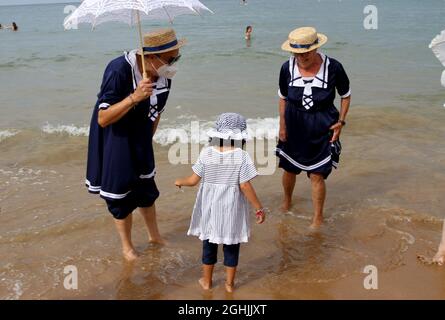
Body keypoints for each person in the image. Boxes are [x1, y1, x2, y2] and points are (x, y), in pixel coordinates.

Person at [86, 28, 185, 261]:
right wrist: (134, 97)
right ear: (151, 56)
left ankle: (155, 236)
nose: (173, 64)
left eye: (176, 58)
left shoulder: (164, 76)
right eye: (171, 59)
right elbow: (103, 119)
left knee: (146, 191)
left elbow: (158, 111)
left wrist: (146, 141)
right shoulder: (118, 70)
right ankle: (127, 247)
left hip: (141, 137)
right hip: (116, 138)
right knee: (120, 197)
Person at [175, 113, 266, 293]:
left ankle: (207, 282)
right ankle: (229, 285)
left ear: (218, 133)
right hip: (231, 210)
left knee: (209, 245)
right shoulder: (242, 156)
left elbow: (193, 181)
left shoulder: (207, 153)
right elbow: (245, 185)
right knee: (231, 246)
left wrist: (179, 181)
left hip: (210, 210)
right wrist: (259, 208)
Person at [275, 27, 351, 228]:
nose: (301, 57)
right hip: (294, 123)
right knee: (289, 168)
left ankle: (317, 217)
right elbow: (282, 97)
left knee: (317, 173)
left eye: (305, 52)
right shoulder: (286, 68)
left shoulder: (334, 67)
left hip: (323, 123)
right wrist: (282, 125)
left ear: (315, 48)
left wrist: (341, 122)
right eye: (296, 52)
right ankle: (287, 202)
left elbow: (346, 95)